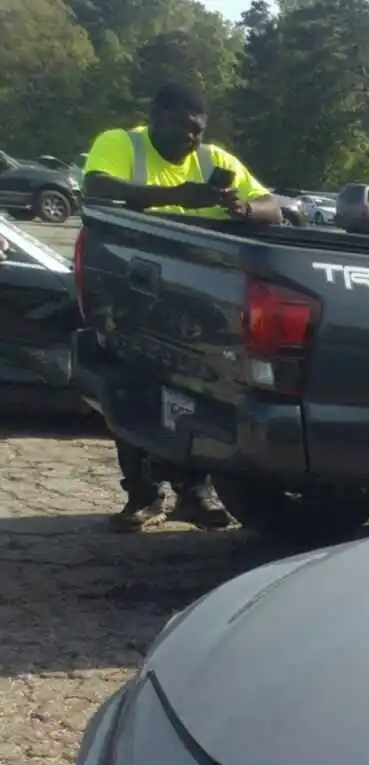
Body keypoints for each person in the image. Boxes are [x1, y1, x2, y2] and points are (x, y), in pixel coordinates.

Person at [82, 81, 281, 531]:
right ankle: (143, 495)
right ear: (155, 116)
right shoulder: (120, 144)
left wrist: (243, 210)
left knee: (197, 393)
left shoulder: (215, 160)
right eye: (182, 127)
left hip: (193, 304)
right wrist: (179, 196)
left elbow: (274, 207)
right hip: (130, 290)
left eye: (198, 130)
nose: (191, 138)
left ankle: (194, 494)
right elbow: (96, 189)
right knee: (131, 388)